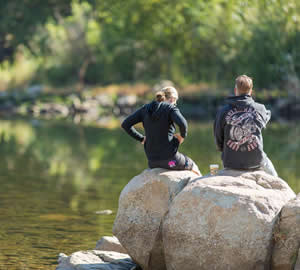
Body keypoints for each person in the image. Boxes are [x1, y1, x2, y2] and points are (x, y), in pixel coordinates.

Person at [121, 86, 200, 175]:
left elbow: (125, 124)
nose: (175, 104)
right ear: (172, 99)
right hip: (171, 162)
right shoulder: (170, 108)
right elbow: (183, 124)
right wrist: (182, 136)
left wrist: (141, 138)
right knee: (192, 165)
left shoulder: (145, 109)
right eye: (175, 101)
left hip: (152, 163)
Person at [214, 75, 278, 176]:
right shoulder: (260, 109)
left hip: (230, 163)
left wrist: (225, 150)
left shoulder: (223, 111)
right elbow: (267, 116)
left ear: (235, 90)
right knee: (274, 176)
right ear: (251, 91)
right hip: (256, 162)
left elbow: (218, 138)